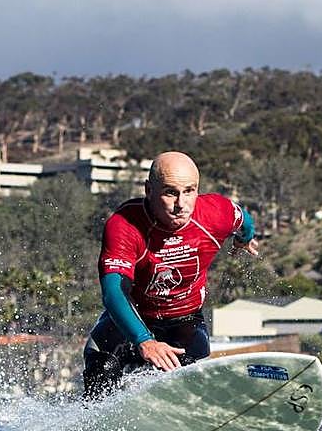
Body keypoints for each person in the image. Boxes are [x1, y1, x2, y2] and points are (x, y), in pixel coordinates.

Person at [83, 150, 257, 398]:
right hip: (133, 319)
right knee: (102, 366)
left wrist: (245, 239)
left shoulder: (216, 213)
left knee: (182, 376)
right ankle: (93, 424)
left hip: (184, 322)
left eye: (189, 191)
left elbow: (243, 220)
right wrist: (144, 340)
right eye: (170, 192)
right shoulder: (125, 224)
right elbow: (113, 293)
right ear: (149, 190)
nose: (181, 204)